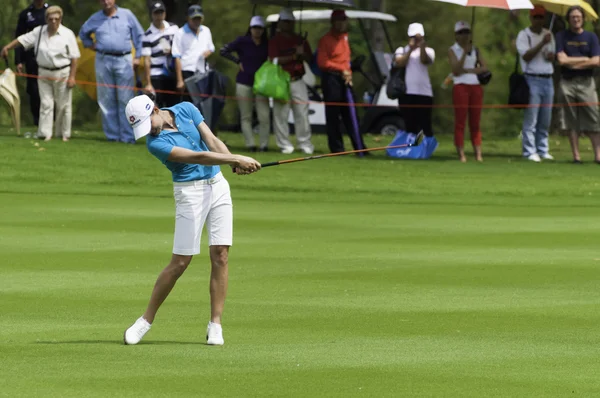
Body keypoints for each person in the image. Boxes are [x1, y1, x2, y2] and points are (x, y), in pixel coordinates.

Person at [122, 94, 262, 346]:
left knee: (221, 254)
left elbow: (210, 140)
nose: (147, 131)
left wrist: (233, 162)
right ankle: (145, 321)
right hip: (190, 192)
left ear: (155, 109)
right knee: (181, 262)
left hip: (218, 186)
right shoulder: (155, 144)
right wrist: (236, 158)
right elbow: (197, 156)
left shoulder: (186, 109)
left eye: (147, 123)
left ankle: (215, 324)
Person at [2, 6, 80, 141]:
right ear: (46, 19)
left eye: (56, 19)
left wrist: (72, 77)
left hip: (62, 72)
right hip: (43, 72)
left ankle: (63, 134)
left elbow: (74, 57)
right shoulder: (39, 32)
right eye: (51, 19)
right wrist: (8, 47)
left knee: (63, 105)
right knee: (46, 103)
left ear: (60, 19)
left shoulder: (67, 34)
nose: (54, 22)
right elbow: (23, 39)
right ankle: (45, 133)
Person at [79, 0, 144, 144]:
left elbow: (139, 35)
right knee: (106, 99)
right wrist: (91, 45)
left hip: (124, 59)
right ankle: (113, 137)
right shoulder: (95, 18)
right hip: (103, 59)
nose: (106, 2)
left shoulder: (127, 15)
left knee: (125, 99)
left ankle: (127, 137)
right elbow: (83, 34)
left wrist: (138, 56)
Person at [317, 9, 367, 154]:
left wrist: (348, 72)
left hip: (345, 79)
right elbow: (322, 62)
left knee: (351, 114)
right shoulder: (325, 40)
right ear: (333, 22)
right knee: (333, 115)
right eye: (338, 20)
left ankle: (359, 146)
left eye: (343, 20)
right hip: (331, 78)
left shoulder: (345, 37)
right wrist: (341, 69)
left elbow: (345, 60)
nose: (341, 23)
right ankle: (337, 148)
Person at [555, 5, 600, 164]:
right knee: (569, 118)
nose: (576, 19)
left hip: (587, 83)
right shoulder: (561, 36)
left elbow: (596, 61)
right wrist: (585, 60)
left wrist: (572, 62)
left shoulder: (591, 37)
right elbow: (561, 60)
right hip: (567, 83)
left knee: (593, 117)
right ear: (569, 19)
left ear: (583, 19)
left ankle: (598, 156)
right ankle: (576, 157)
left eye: (578, 17)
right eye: (573, 17)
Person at [220, 16, 271, 152]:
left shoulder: (267, 43)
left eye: (260, 28)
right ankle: (250, 144)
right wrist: (237, 61)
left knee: (264, 116)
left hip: (262, 84)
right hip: (244, 81)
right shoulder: (243, 41)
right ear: (250, 28)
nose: (257, 31)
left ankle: (264, 145)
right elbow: (223, 51)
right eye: (255, 27)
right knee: (246, 115)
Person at [268, 8, 314, 155]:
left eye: (290, 22)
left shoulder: (300, 39)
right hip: (281, 80)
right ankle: (284, 144)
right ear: (280, 23)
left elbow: (310, 59)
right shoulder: (275, 40)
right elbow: (274, 60)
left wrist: (302, 54)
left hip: (298, 79)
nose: (288, 24)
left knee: (302, 113)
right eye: (285, 22)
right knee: (281, 114)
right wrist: (295, 56)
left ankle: (304, 143)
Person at [516, 5, 555, 163]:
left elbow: (551, 56)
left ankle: (542, 149)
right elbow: (526, 56)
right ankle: (529, 150)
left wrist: (550, 54)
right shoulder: (524, 35)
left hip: (548, 78)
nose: (539, 20)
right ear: (531, 18)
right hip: (532, 78)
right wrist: (541, 44)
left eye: (541, 17)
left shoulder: (549, 34)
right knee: (531, 118)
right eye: (536, 17)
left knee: (545, 118)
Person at [448, 21, 489, 162]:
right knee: (460, 121)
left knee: (475, 121)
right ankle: (461, 153)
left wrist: (468, 70)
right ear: (456, 35)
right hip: (460, 86)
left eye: (466, 32)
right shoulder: (453, 50)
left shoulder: (475, 50)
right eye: (461, 32)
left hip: (475, 86)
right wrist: (464, 53)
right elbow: (455, 70)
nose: (464, 35)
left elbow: (484, 68)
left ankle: (478, 153)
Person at [393, 22, 435, 138]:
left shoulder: (429, 51)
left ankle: (425, 149)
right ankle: (411, 150)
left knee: (425, 124)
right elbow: (400, 63)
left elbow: (425, 60)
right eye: (413, 37)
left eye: (418, 38)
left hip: (424, 93)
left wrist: (421, 47)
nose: (416, 40)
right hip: (407, 92)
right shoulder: (402, 50)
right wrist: (410, 50)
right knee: (409, 124)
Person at [14, 0, 48, 128]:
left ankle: (51, 120)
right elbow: (19, 38)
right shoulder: (26, 14)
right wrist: (19, 60)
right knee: (34, 90)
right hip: (31, 57)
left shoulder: (50, 11)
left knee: (49, 88)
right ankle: (37, 120)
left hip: (49, 57)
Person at [172, 5, 215, 103]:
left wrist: (204, 55)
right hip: (188, 73)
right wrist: (180, 80)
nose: (196, 21)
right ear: (188, 18)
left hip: (203, 73)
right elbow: (177, 57)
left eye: (198, 19)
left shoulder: (206, 31)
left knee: (204, 103)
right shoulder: (180, 33)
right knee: (189, 104)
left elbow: (211, 48)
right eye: (194, 19)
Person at [142, 1, 179, 108]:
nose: (159, 16)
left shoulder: (174, 28)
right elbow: (147, 60)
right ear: (152, 15)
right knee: (158, 108)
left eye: (161, 13)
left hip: (172, 74)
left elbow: (180, 48)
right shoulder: (147, 35)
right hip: (156, 75)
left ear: (165, 13)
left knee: (173, 106)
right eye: (156, 13)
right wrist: (148, 83)